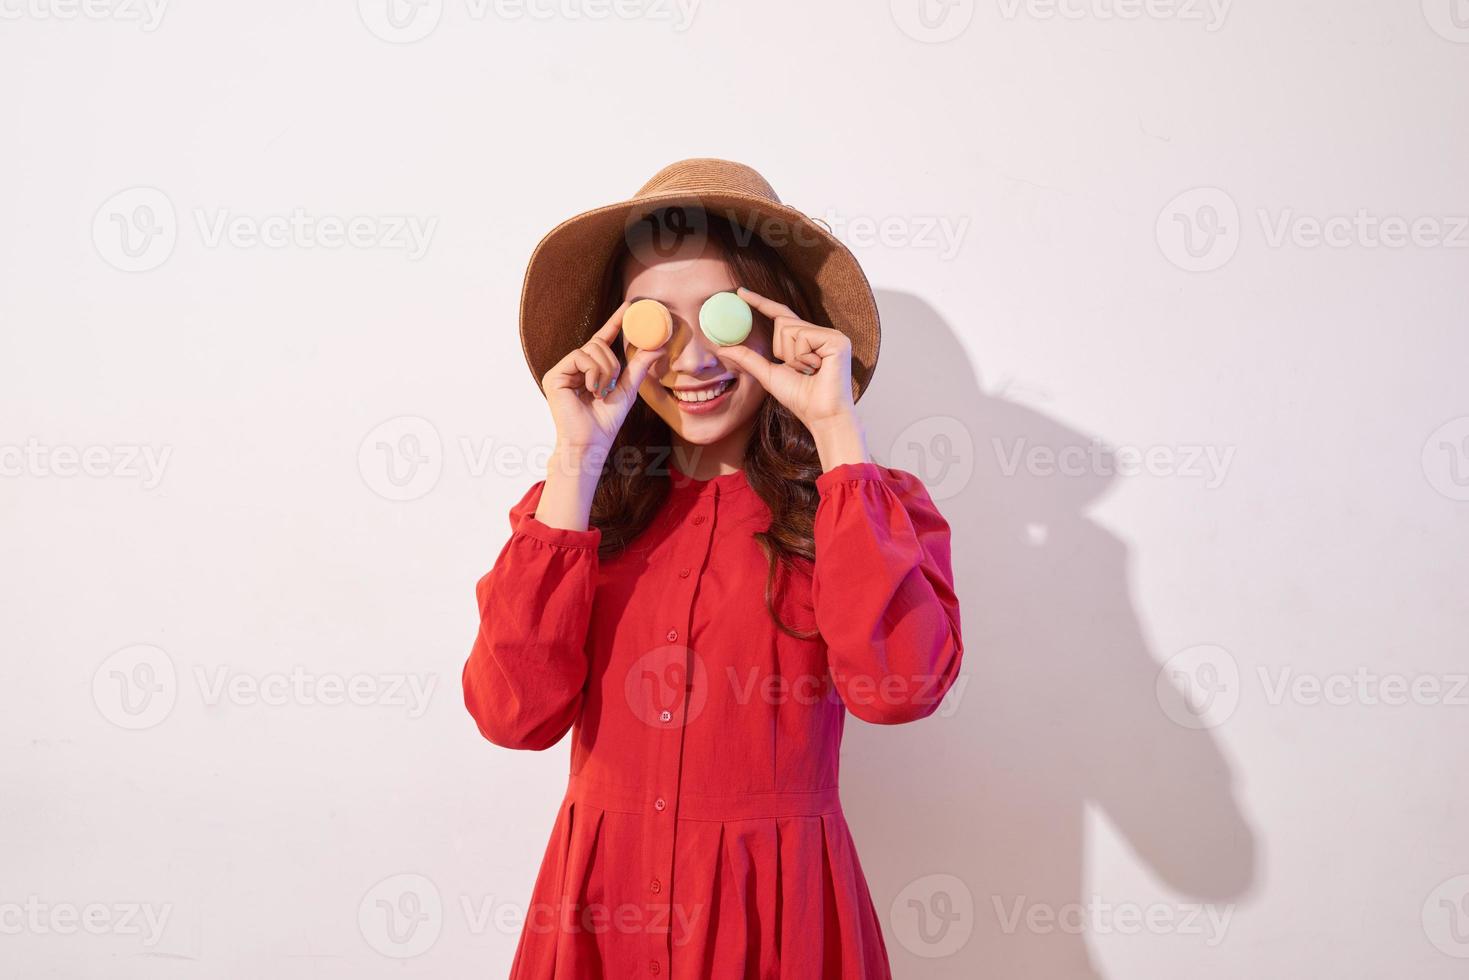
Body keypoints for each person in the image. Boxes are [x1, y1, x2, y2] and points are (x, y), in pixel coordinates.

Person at [463, 158, 964, 978]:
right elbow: (512, 716)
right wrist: (575, 460)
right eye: (653, 324)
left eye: (723, 318)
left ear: (777, 322)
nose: (691, 360)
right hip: (598, 917)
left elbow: (897, 690)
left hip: (779, 921)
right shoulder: (569, 514)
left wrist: (837, 432)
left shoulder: (862, 509)